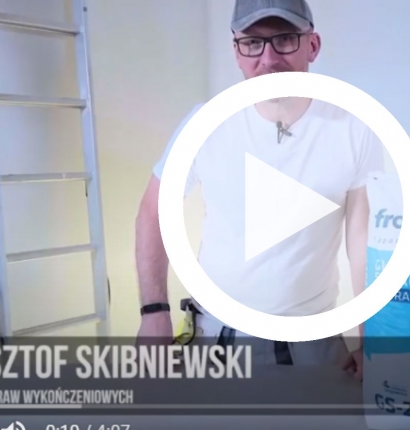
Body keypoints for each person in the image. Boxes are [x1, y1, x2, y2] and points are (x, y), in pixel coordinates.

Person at [135, 0, 383, 380]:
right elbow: (154, 211)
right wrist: (154, 312)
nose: (268, 59)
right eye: (252, 42)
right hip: (217, 344)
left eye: (283, 39)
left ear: (312, 45)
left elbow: (362, 242)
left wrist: (371, 341)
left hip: (314, 346)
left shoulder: (354, 129)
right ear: (237, 51)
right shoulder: (205, 123)